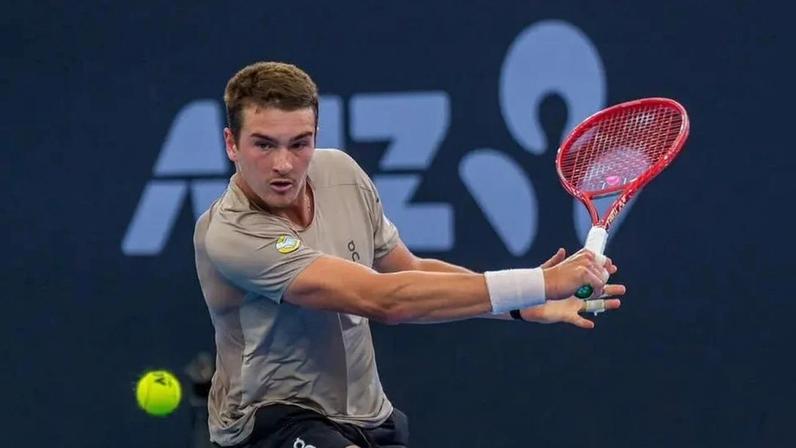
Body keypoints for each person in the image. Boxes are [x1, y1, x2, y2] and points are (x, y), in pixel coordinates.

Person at [193, 61, 625, 448]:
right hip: (270, 422)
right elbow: (386, 299)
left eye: (299, 143)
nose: (284, 164)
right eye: (264, 145)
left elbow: (411, 271)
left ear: (316, 137)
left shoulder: (341, 173)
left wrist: (522, 304)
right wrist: (541, 282)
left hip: (368, 415)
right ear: (231, 144)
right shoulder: (231, 233)